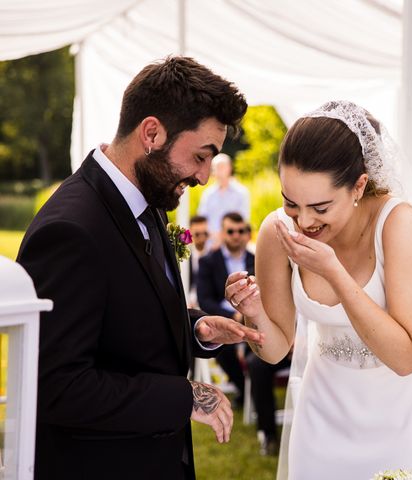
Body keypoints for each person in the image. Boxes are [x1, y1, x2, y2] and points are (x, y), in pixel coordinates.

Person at [16, 56, 264, 480]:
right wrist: (181, 396)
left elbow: (123, 319)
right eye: (200, 156)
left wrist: (196, 329)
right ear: (151, 132)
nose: (205, 176)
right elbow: (57, 386)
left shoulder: (147, 202)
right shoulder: (70, 230)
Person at [226, 101, 412, 480]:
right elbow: (277, 347)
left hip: (407, 414)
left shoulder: (399, 224)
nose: (305, 220)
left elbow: (406, 357)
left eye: (320, 207)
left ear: (359, 185)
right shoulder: (277, 231)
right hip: (324, 415)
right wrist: (254, 312)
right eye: (290, 203)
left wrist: (333, 271)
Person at [197, 212, 253, 408]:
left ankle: (255, 389)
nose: (236, 235)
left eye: (241, 231)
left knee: (258, 349)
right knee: (222, 348)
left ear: (247, 233)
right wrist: (232, 316)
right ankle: (246, 392)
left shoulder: (257, 260)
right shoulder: (208, 262)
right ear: (222, 233)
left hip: (253, 320)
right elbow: (205, 301)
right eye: (230, 231)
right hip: (223, 319)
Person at [197, 153, 250, 249]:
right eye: (215, 167)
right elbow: (202, 220)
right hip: (211, 246)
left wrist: (223, 238)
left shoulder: (241, 192)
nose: (218, 170)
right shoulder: (208, 194)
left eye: (221, 167)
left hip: (233, 245)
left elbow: (243, 219)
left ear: (230, 168)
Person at [187, 215, 209, 308]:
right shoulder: (186, 258)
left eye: (205, 233)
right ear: (190, 233)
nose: (202, 237)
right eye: (197, 234)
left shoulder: (215, 257)